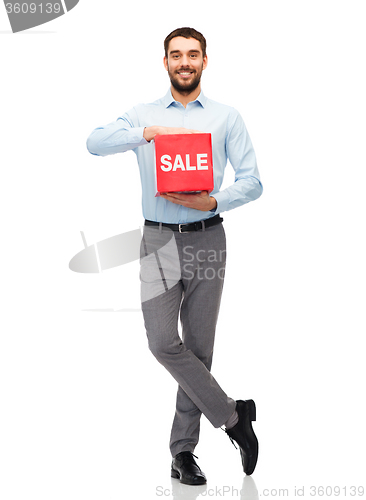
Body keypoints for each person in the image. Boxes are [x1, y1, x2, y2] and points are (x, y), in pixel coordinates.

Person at [87, 27, 263, 485]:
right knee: (164, 342)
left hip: (208, 236)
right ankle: (233, 415)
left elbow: (253, 181)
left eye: (193, 54)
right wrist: (147, 133)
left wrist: (214, 201)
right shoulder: (142, 114)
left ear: (205, 61)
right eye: (176, 55)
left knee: (199, 350)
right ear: (164, 61)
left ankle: (182, 454)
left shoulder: (227, 117)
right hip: (159, 242)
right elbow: (94, 141)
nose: (184, 62)